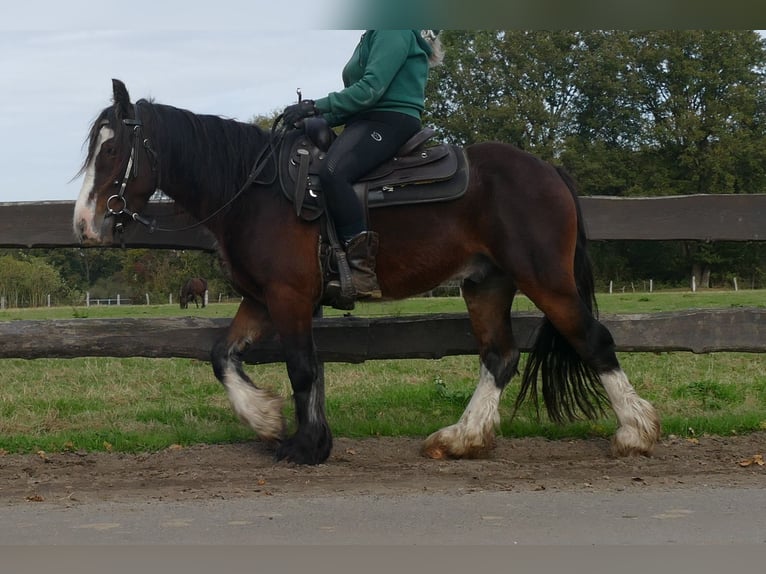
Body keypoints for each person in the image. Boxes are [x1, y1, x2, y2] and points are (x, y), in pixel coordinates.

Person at [283, 30, 443, 299]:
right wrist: (307, 118)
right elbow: (353, 102)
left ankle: (362, 272)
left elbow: (369, 90)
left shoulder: (393, 28)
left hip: (389, 120)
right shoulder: (372, 34)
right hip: (365, 119)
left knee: (333, 172)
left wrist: (316, 106)